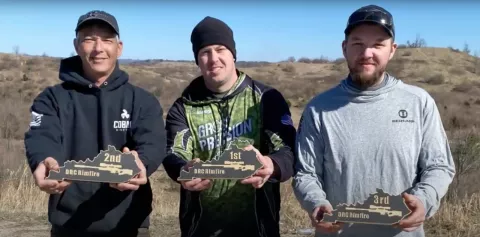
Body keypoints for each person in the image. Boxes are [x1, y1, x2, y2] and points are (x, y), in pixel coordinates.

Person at [292, 5, 456, 237]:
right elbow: (306, 173)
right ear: (345, 48)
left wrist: (423, 199)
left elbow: (439, 166)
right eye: (358, 43)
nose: (367, 53)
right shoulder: (318, 108)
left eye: (378, 44)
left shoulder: (418, 102)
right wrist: (316, 203)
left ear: (392, 50)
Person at [24, 10, 166, 237]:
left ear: (119, 47)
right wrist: (43, 160)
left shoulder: (142, 100)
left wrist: (142, 162)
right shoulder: (51, 99)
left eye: (107, 40)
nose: (98, 47)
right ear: (77, 45)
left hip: (129, 224)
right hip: (69, 225)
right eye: (89, 38)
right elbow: (41, 136)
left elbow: (154, 141)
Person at [162, 16, 296, 237]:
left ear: (233, 54)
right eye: (205, 52)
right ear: (197, 59)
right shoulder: (183, 106)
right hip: (200, 228)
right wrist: (183, 169)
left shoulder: (266, 99)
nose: (213, 58)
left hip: (259, 228)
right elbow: (173, 152)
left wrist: (271, 164)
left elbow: (289, 150)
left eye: (220, 49)